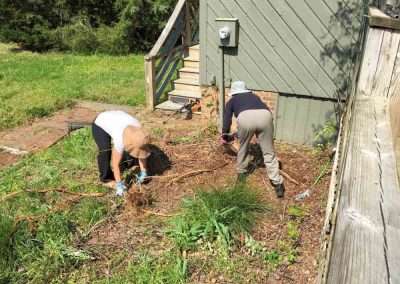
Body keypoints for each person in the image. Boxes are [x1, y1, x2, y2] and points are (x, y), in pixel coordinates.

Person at [221, 81, 285, 198]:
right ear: (246, 90)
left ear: (234, 93)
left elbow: (227, 119)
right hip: (265, 116)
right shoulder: (254, 96)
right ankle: (278, 184)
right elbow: (267, 111)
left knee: (243, 148)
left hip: (245, 118)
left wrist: (224, 134)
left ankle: (241, 177)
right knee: (268, 151)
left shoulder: (232, 101)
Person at [92, 110, 151, 196]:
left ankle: (128, 164)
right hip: (100, 124)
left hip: (115, 118)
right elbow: (115, 164)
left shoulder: (139, 131)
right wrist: (119, 184)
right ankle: (105, 179)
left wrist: (143, 171)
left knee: (134, 150)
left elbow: (142, 152)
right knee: (105, 150)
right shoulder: (119, 139)